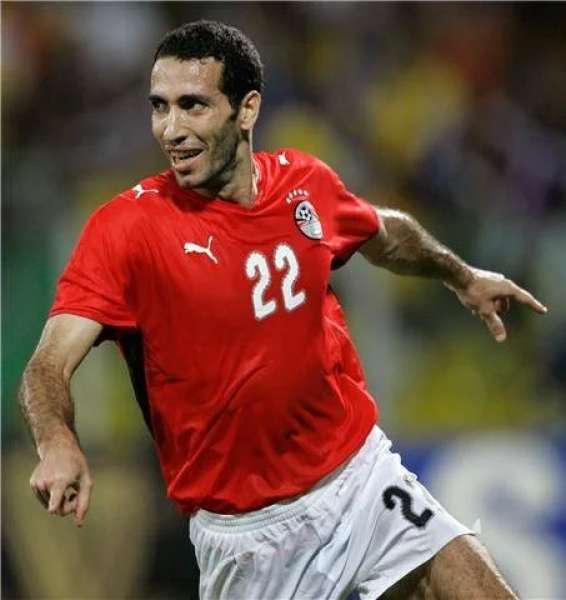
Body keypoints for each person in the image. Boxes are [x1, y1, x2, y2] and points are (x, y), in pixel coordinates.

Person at [20, 20, 546, 600]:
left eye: (193, 105)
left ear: (246, 109)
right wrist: (57, 441)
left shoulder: (304, 183)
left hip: (361, 481)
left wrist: (462, 276)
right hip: (249, 540)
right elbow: (47, 364)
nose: (171, 129)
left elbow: (382, 233)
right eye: (159, 106)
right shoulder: (126, 229)